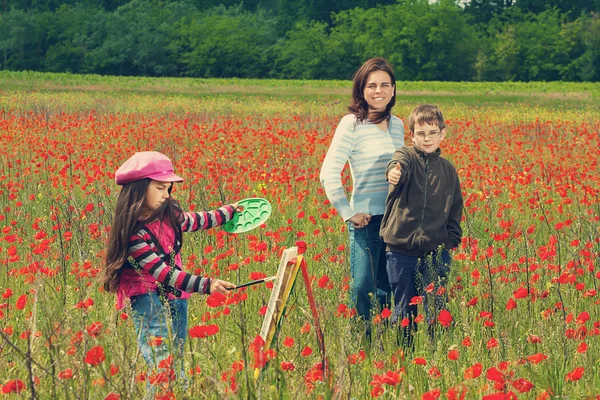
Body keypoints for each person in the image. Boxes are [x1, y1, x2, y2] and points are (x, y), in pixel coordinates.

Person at [101, 151, 237, 389]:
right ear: (139, 189)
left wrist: (230, 211)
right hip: (147, 299)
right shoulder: (134, 233)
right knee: (162, 362)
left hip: (177, 296)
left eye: (168, 189)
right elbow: (164, 273)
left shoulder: (169, 215)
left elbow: (198, 220)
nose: (166, 195)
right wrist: (208, 284)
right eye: (160, 188)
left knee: (176, 358)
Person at [319, 58, 405, 333]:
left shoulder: (399, 125)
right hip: (365, 221)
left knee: (390, 286)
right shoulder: (352, 124)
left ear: (393, 89)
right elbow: (328, 172)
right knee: (363, 287)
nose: (378, 91)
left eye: (384, 85)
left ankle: (387, 342)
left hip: (396, 220)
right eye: (371, 86)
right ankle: (362, 344)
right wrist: (348, 212)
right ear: (361, 90)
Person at [380, 104, 463, 347]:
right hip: (400, 250)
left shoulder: (448, 170)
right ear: (412, 135)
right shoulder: (406, 157)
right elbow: (397, 165)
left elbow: (455, 208)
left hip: (435, 252)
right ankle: (403, 354)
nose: (427, 139)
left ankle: (436, 354)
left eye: (432, 133)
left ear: (443, 134)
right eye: (421, 134)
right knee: (404, 308)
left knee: (436, 308)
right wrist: (394, 173)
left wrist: (449, 242)